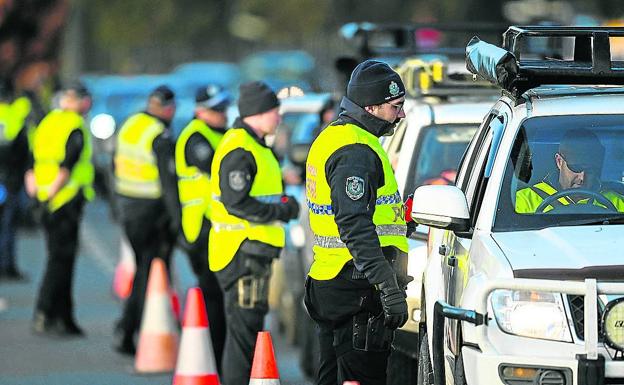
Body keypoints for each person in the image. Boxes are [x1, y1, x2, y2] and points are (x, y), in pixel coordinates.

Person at [304, 60, 411, 385]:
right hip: (356, 292)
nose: (401, 115)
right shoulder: (356, 151)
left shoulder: (337, 137)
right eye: (396, 107)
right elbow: (354, 224)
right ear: (371, 106)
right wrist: (387, 286)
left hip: (336, 283)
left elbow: (363, 217)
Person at [209, 81, 300, 385]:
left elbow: (262, 193)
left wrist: (282, 201)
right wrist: (282, 211)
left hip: (251, 251)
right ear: (257, 113)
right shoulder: (240, 148)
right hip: (243, 252)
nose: (279, 117)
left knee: (245, 332)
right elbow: (237, 203)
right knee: (243, 337)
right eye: (275, 111)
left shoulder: (254, 144)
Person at [112, 85, 180, 355]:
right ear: (169, 109)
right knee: (149, 274)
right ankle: (129, 330)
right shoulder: (159, 136)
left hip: (128, 207)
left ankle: (135, 328)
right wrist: (177, 219)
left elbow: (113, 165)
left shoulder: (131, 125)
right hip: (152, 212)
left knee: (145, 270)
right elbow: (168, 184)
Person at [26, 82, 94, 336]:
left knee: (58, 259)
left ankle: (63, 317)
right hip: (64, 200)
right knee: (61, 262)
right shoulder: (74, 126)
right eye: (85, 100)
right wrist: (53, 194)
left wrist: (37, 197)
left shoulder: (47, 123)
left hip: (44, 198)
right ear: (77, 101)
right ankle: (46, 313)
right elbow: (67, 166)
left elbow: (32, 162)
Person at [175, 85, 230, 370]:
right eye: (216, 109)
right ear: (199, 111)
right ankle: (216, 362)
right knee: (213, 299)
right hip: (202, 229)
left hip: (219, 228)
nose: (222, 113)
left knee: (220, 300)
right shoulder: (195, 137)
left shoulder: (222, 133)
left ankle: (219, 361)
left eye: (223, 107)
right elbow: (220, 169)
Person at [516, 128, 624, 213]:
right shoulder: (523, 201)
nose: (582, 177)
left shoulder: (616, 202)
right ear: (559, 161)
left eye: (590, 170)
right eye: (576, 168)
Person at [0, 81, 30, 280]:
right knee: (8, 224)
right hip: (8, 178)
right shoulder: (14, 117)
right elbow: (23, 150)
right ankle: (6, 265)